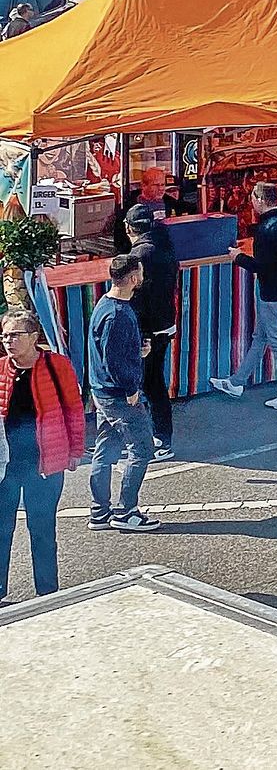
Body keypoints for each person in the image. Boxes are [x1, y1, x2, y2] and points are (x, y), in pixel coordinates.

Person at [0, 311, 83, 601]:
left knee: (43, 531)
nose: (8, 341)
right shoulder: (1, 369)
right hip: (6, 469)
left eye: (14, 335)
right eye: (5, 335)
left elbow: (74, 409)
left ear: (34, 337)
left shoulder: (56, 366)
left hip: (44, 465)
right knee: (0, 531)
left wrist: (75, 451)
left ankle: (47, 594)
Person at [209, 182, 277, 410]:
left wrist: (238, 257)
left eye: (253, 197)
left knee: (276, 342)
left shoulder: (265, 230)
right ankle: (236, 382)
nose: (251, 202)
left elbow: (261, 266)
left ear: (260, 200)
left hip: (272, 293)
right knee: (261, 337)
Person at [87, 255, 158, 533]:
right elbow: (114, 360)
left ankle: (99, 512)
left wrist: (136, 351)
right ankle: (126, 511)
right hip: (118, 395)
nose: (141, 277)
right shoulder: (118, 314)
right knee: (141, 449)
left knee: (105, 450)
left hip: (103, 391)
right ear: (132, 279)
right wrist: (131, 390)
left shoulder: (106, 306)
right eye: (139, 273)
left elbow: (110, 352)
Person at [119, 206, 182, 461]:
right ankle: (159, 437)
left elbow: (136, 295)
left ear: (129, 228)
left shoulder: (139, 255)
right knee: (153, 383)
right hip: (164, 323)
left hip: (147, 329)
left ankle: (160, 440)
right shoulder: (164, 246)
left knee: (149, 384)